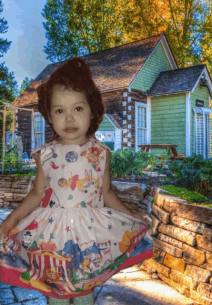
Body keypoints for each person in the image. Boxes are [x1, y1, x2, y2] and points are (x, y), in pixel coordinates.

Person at [0, 57, 153, 305]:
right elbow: (36, 195)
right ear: (49, 115)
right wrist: (11, 219)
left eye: (78, 109)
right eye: (60, 110)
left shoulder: (101, 153)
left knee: (84, 294)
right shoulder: (45, 154)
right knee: (56, 296)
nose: (69, 118)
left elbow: (107, 193)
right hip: (53, 235)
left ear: (92, 110)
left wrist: (131, 215)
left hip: (89, 236)